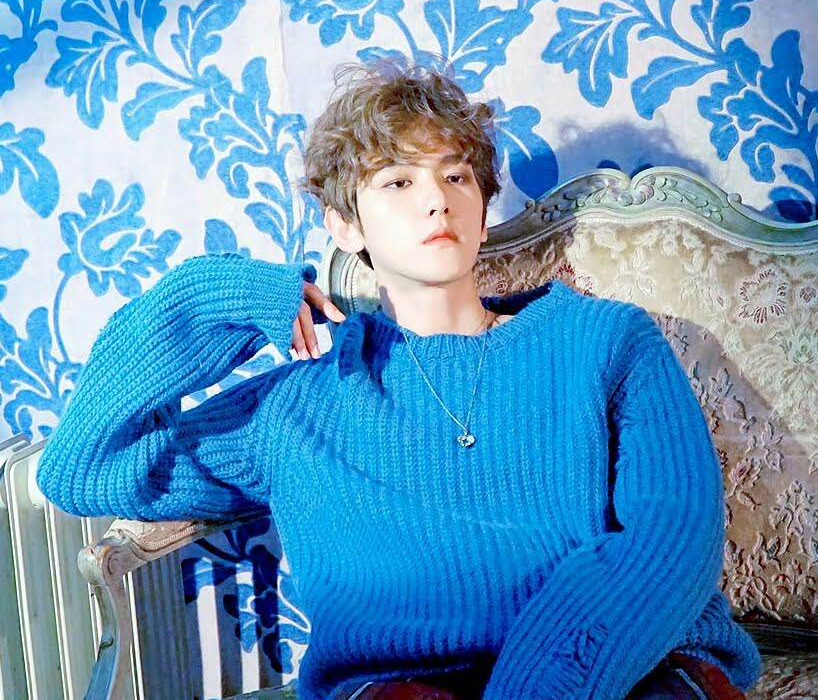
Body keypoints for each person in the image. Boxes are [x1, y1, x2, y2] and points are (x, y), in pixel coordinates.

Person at [37, 57, 762, 700]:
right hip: (398, 687)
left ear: (482, 209)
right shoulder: (297, 408)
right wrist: (211, 299)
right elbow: (82, 470)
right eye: (397, 180)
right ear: (345, 225)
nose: (437, 199)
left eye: (456, 176)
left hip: (627, 668)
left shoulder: (604, 342)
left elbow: (671, 538)